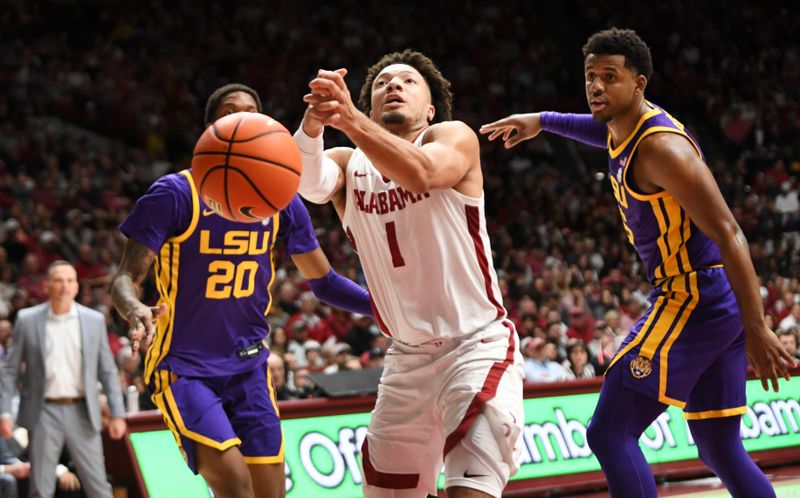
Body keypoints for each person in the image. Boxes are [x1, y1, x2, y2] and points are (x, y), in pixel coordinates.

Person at [481, 27, 795, 498]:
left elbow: (730, 232)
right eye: (591, 76)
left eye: (611, 77)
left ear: (639, 83)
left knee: (609, 432)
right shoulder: (623, 129)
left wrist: (758, 327)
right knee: (717, 445)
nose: (597, 86)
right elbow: (598, 129)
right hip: (713, 300)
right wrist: (541, 120)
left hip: (693, 296)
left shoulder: (661, 149)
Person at [110, 83, 373, 498]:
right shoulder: (174, 194)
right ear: (210, 129)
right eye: (229, 112)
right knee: (234, 485)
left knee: (271, 492)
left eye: (250, 112)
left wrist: (386, 308)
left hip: (250, 368)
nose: (240, 119)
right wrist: (134, 308)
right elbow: (126, 278)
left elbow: (324, 283)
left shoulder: (283, 200)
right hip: (184, 368)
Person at [295, 50, 525, 498]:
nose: (393, 86)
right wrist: (313, 125)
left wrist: (352, 120)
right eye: (381, 83)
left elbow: (423, 175)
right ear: (371, 102)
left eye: (407, 81)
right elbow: (308, 182)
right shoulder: (348, 162)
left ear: (430, 108)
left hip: (476, 346)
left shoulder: (451, 136)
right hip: (405, 361)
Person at [0, 261, 126, 498]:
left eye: (70, 280)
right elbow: (10, 370)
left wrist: (118, 414)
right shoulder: (27, 319)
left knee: (98, 485)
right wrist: (5, 412)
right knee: (40, 488)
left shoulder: (94, 320)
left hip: (82, 409)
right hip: (43, 410)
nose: (64, 286)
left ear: (77, 286)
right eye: (58, 280)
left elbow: (108, 371)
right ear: (47, 285)